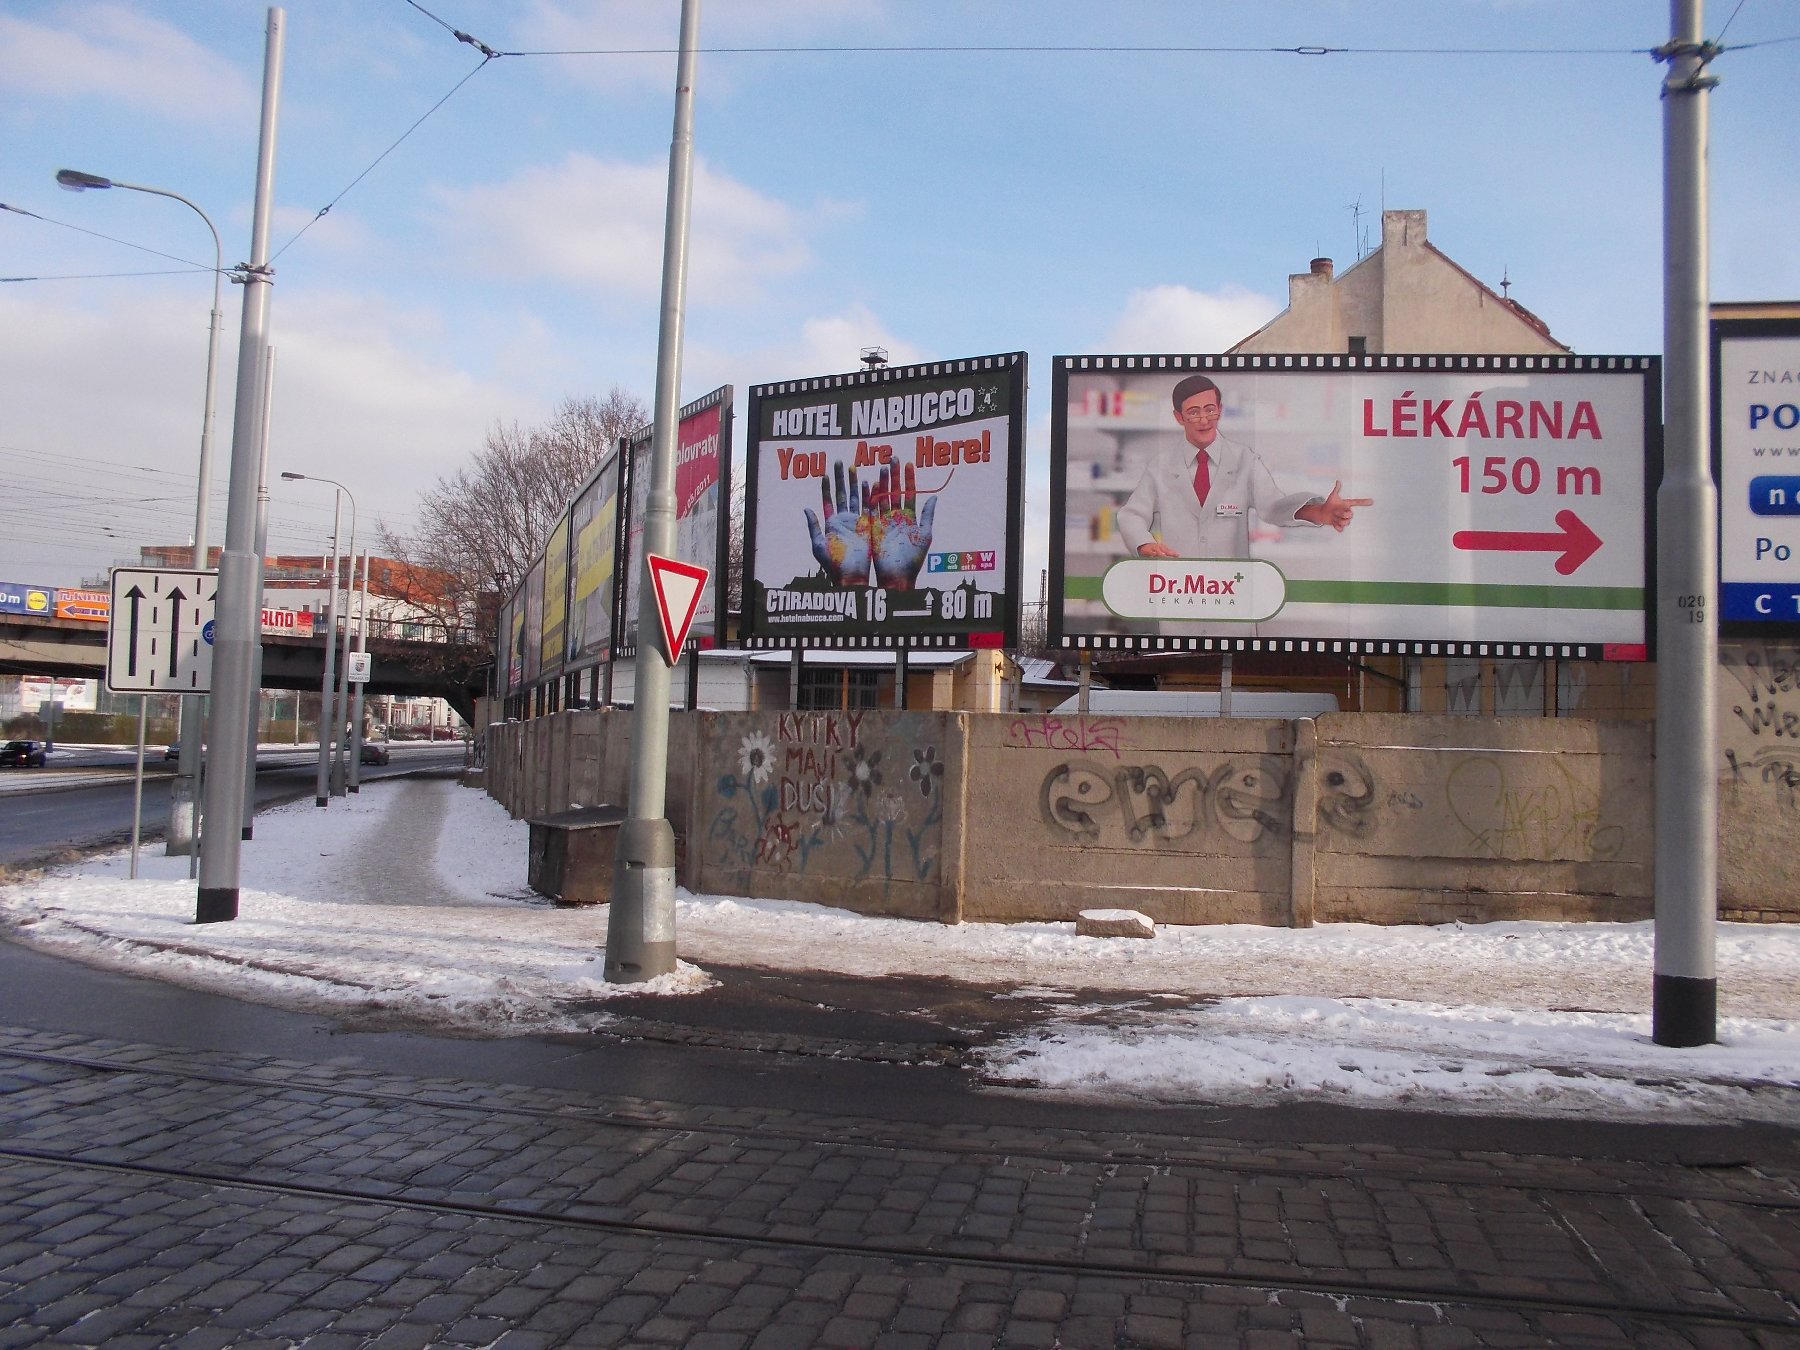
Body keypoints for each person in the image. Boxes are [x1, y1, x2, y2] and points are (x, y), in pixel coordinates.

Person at [1116, 374, 1371, 559]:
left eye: (1210, 409)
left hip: (1231, 593)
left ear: (1220, 410)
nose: (1204, 419)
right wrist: (1143, 544)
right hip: (1179, 591)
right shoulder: (1160, 467)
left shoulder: (1244, 460)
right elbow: (1132, 514)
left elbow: (1273, 507)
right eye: (1193, 412)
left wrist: (1318, 512)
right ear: (1178, 417)